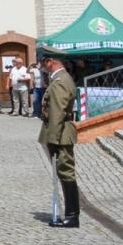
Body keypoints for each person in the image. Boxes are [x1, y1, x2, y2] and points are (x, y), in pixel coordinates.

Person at [37, 55, 79, 227]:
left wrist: (52, 139)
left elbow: (57, 112)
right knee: (64, 171)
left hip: (60, 134)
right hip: (61, 133)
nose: (42, 68)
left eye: (43, 64)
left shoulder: (60, 81)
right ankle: (71, 213)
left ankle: (71, 215)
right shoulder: (62, 78)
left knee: (66, 171)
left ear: (51, 62)